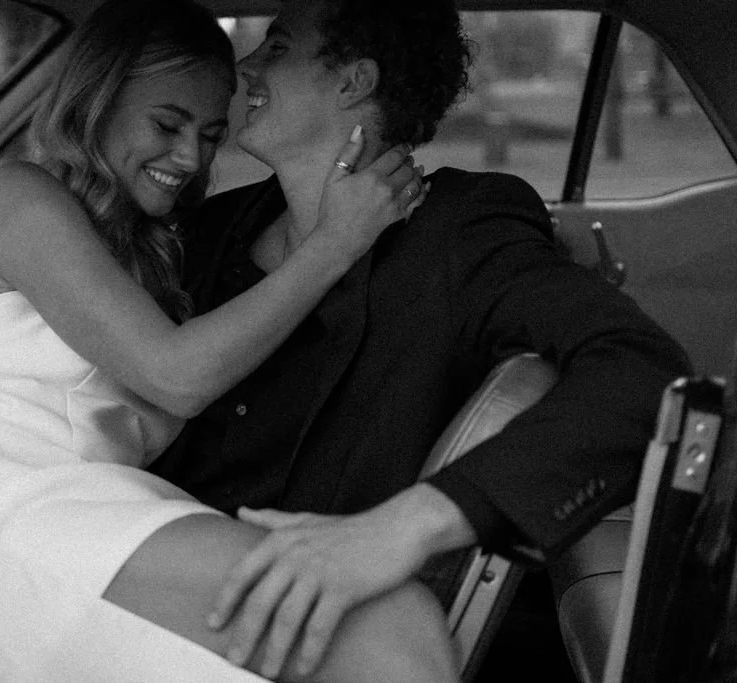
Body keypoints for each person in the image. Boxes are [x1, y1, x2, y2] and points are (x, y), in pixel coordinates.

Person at [0, 0, 454, 681]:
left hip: (85, 503)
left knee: (383, 615)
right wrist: (335, 245)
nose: (189, 156)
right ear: (97, 99)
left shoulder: (156, 239)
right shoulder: (18, 198)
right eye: (167, 124)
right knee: (384, 623)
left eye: (207, 135)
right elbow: (178, 375)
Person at [143, 0, 693, 675]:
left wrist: (407, 526)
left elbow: (644, 372)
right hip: (151, 568)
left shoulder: (459, 232)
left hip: (307, 633)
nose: (246, 65)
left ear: (354, 82)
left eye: (276, 47)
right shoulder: (205, 228)